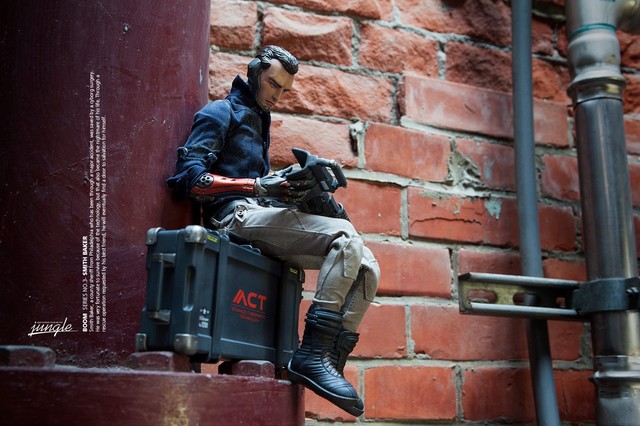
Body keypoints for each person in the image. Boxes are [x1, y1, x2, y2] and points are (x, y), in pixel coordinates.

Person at [167, 45, 379, 417]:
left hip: (257, 213)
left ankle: (328, 361)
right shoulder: (220, 112)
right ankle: (311, 356)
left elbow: (260, 186)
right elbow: (190, 180)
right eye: (273, 84)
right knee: (344, 238)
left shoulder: (259, 118)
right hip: (232, 217)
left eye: (284, 90)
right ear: (254, 73)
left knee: (367, 266)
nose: (277, 95)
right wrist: (258, 187)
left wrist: (302, 189)